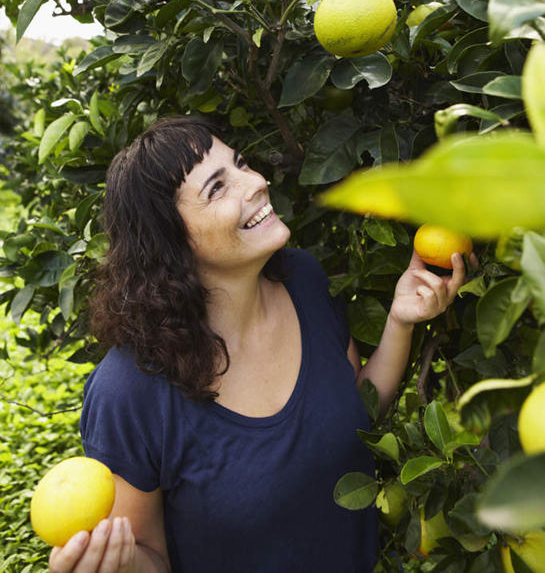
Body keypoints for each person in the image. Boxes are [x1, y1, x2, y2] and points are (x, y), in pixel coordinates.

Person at [48, 115, 472, 573]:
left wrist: (400, 321)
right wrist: (115, 563)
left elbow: (354, 411)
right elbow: (150, 558)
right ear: (170, 243)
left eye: (242, 164)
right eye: (217, 188)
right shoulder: (129, 392)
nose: (255, 183)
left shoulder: (303, 280)